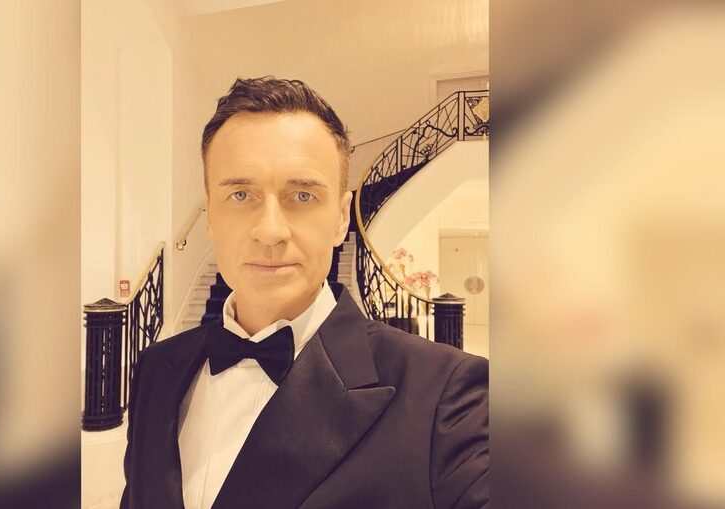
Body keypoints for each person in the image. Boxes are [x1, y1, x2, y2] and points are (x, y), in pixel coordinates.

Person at [120, 76, 488, 509]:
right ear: (210, 216)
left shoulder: (446, 394)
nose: (269, 230)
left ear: (341, 218)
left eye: (301, 195)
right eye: (240, 194)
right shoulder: (157, 369)